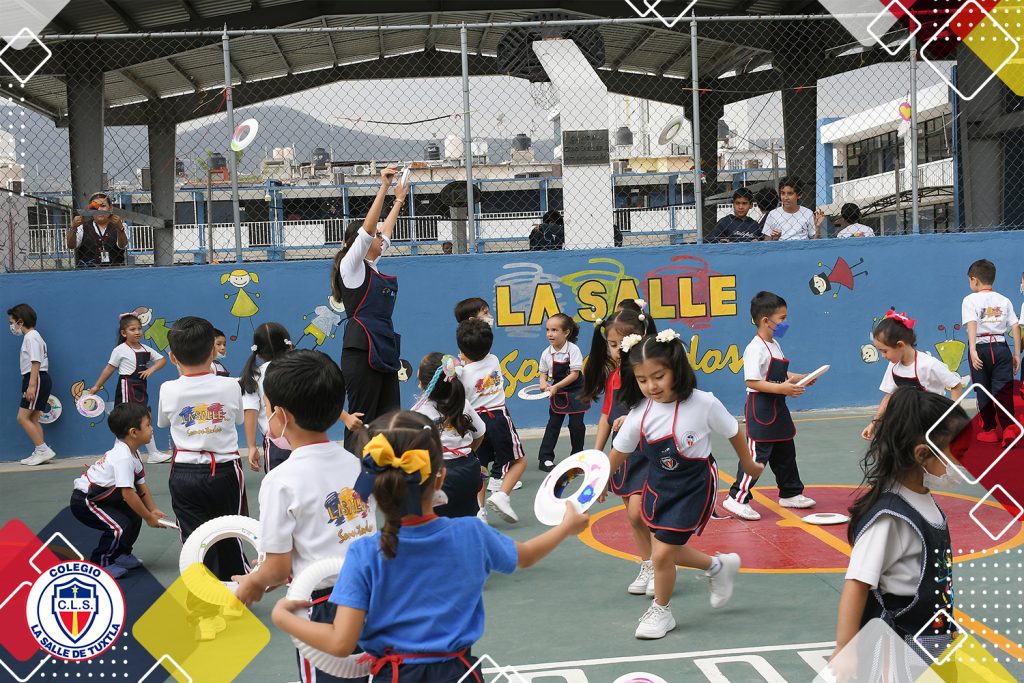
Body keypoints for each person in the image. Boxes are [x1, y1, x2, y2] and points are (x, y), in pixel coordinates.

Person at [270, 410, 590, 683]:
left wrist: (285, 618)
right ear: (439, 478)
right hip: (459, 673)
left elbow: (341, 642)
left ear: (374, 486)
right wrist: (565, 528)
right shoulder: (471, 533)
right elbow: (527, 555)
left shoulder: (364, 554)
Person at [608, 331, 763, 640]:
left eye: (658, 376)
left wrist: (747, 464)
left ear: (676, 369)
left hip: (695, 485)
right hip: (659, 485)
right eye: (642, 380)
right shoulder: (640, 413)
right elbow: (619, 452)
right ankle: (719, 567)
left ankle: (661, 612)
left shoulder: (703, 403)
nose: (651, 386)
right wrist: (599, 482)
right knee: (667, 550)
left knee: (663, 553)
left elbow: (733, 430)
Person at [232, 350, 376, 683]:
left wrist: (252, 583)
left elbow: (278, 567)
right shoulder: (354, 463)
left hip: (324, 607)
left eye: (266, 408)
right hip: (375, 595)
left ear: (280, 415)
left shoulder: (280, 480)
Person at [832, 389, 969, 676]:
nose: (963, 462)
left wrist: (945, 625)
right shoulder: (891, 517)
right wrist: (845, 649)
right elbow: (857, 582)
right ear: (922, 453)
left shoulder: (922, 499)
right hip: (897, 649)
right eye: (958, 451)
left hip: (929, 640)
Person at [158, 316, 247, 581]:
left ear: (173, 357)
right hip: (225, 470)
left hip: (184, 473)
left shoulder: (168, 388)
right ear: (213, 351)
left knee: (195, 539)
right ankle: (234, 592)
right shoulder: (230, 385)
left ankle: (204, 598)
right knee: (231, 532)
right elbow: (240, 419)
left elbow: (163, 421)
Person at [581, 307, 657, 597]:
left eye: (622, 343)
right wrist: (597, 455)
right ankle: (648, 564)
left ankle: (662, 564)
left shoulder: (647, 374)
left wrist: (634, 418)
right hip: (622, 456)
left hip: (647, 452)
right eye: (612, 345)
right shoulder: (613, 377)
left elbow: (658, 408)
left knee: (641, 512)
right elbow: (606, 416)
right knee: (632, 516)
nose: (617, 350)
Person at [332, 166, 408, 450]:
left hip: (383, 346)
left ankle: (385, 478)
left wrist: (399, 199)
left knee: (389, 418)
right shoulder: (350, 267)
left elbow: (384, 230)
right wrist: (384, 187)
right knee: (362, 419)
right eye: (375, 236)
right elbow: (368, 230)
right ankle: (354, 479)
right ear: (358, 244)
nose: (381, 238)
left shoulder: (373, 266)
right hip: (361, 349)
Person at [722, 291, 817, 521]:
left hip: (777, 407)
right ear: (766, 320)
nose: (785, 323)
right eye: (782, 318)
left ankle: (791, 492)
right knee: (757, 456)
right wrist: (783, 389)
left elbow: (778, 373)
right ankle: (736, 497)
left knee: (785, 451)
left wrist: (798, 378)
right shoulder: (755, 348)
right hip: (761, 408)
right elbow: (753, 381)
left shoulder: (773, 344)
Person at [69, 403, 167, 579]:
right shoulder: (123, 458)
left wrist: (152, 510)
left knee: (133, 517)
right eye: (148, 425)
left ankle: (121, 554)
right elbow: (128, 494)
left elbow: (141, 486)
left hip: (104, 498)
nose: (152, 429)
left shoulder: (132, 452)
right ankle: (101, 563)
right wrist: (149, 518)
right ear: (133, 432)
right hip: (86, 501)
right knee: (118, 526)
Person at [456, 319, 526, 523]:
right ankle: (502, 495)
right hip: (498, 418)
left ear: (462, 349)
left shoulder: (461, 374)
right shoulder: (494, 360)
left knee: (481, 468)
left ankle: (480, 511)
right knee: (519, 460)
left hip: (474, 423)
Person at [861, 309, 964, 441]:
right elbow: (889, 395)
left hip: (930, 423)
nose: (882, 356)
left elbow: (955, 385)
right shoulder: (893, 366)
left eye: (884, 351)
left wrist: (952, 417)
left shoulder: (929, 364)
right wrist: (874, 423)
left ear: (900, 345)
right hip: (907, 422)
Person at [87, 313, 171, 464]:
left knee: (143, 417)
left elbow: (162, 360)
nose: (137, 332)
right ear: (124, 333)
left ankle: (152, 453)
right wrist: (96, 387)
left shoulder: (146, 349)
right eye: (133, 329)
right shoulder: (120, 349)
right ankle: (123, 453)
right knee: (128, 419)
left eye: (139, 328)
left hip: (140, 387)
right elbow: (109, 369)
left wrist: (150, 370)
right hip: (127, 386)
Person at [411, 353, 486, 519]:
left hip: (439, 477)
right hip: (469, 471)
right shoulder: (462, 403)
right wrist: (465, 451)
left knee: (436, 523)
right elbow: (480, 433)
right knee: (466, 520)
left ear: (422, 384)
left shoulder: (417, 414)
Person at [963, 259, 1021, 446]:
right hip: (1001, 347)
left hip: (980, 348)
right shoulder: (1004, 300)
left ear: (974, 280)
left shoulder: (969, 300)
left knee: (982, 389)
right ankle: (1008, 429)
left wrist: (972, 349)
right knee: (1003, 390)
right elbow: (1015, 326)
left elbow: (972, 323)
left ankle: (989, 430)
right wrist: (1017, 354)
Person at [536, 313, 590, 472]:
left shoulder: (573, 350)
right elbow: (543, 372)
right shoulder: (546, 353)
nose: (549, 334)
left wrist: (555, 387)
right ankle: (545, 458)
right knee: (553, 425)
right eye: (547, 330)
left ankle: (577, 458)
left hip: (577, 391)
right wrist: (543, 383)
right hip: (558, 393)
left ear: (566, 333)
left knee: (577, 426)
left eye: (554, 330)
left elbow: (574, 374)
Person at [240, 322, 294, 473]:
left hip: (276, 442)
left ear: (257, 352)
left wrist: (251, 447)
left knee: (278, 488)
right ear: (289, 345)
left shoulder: (254, 376)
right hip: (306, 438)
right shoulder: (300, 367)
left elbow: (250, 412)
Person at [8, 303, 56, 466]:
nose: (11, 326)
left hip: (35, 378)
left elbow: (36, 361)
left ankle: (43, 450)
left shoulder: (31, 336)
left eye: (11, 322)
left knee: (22, 418)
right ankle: (40, 451)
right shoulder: (34, 336)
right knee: (34, 419)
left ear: (20, 322)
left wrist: (31, 385)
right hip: (38, 379)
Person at [66, 192, 128, 268]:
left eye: (103, 206)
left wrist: (119, 228)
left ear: (110, 208)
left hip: (115, 271)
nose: (99, 209)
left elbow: (122, 245)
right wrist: (73, 227)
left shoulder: (121, 225)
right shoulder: (82, 227)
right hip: (88, 272)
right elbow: (71, 246)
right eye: (95, 207)